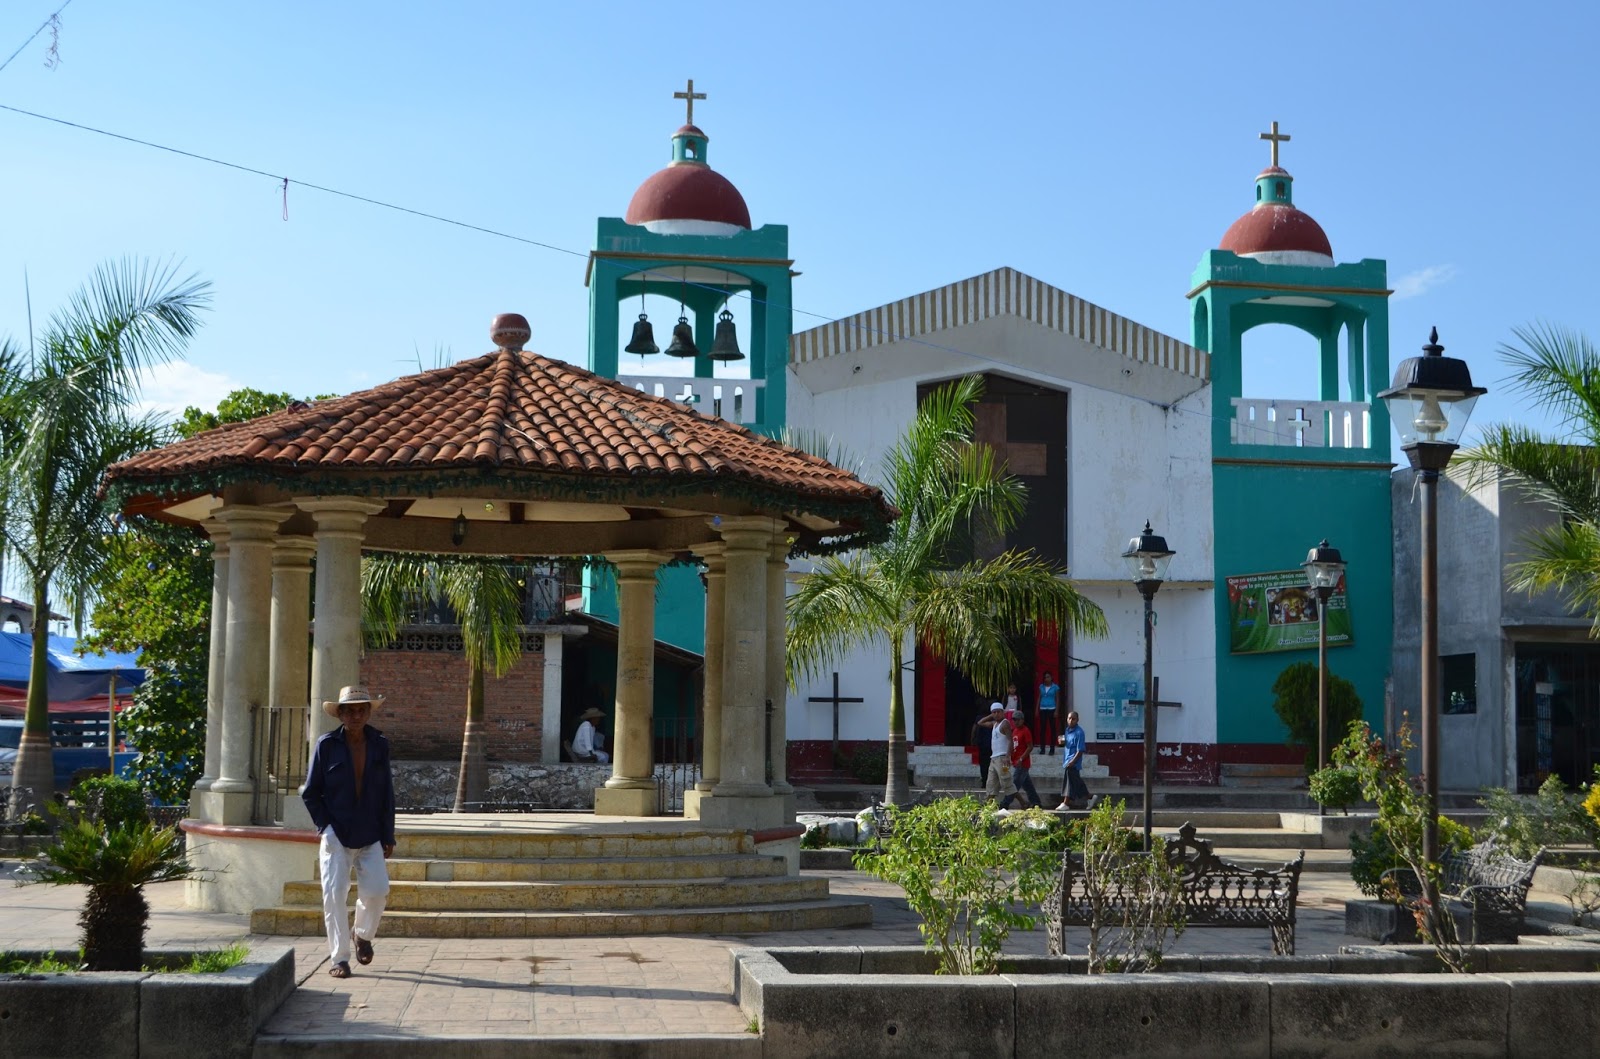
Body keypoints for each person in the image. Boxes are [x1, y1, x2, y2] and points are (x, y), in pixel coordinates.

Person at [302, 684, 395, 980]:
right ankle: (339, 958)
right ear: (340, 714)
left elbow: (386, 793)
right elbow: (310, 792)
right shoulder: (326, 745)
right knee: (334, 895)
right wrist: (325, 826)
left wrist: (388, 833)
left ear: (368, 712)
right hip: (336, 833)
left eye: (361, 710)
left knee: (378, 891)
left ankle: (363, 934)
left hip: (370, 832)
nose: (356, 715)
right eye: (350, 711)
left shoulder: (379, 743)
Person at [1002, 708, 1041, 809]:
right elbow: (1012, 746)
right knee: (1028, 786)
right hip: (1016, 762)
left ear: (1022, 720)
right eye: (1014, 720)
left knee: (1014, 785)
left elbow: (1030, 746)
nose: (1015, 722)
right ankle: (1036, 802)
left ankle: (1005, 803)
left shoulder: (1025, 731)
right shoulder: (1014, 731)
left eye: (1017, 720)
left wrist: (1021, 758)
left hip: (1023, 763)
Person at [979, 702, 1016, 807]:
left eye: (998, 712)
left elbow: (1010, 740)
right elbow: (980, 723)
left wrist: (1008, 756)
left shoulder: (1005, 723)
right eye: (994, 713)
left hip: (1002, 758)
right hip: (994, 758)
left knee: (1006, 782)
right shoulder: (994, 724)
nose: (996, 714)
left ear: (1002, 712)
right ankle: (988, 804)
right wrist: (991, 715)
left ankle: (1022, 802)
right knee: (991, 782)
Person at [1060, 709, 1092, 809]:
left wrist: (1073, 761)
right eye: (1069, 718)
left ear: (1077, 720)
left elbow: (1080, 750)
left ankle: (1065, 803)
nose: (1071, 721)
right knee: (1076, 782)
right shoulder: (1067, 730)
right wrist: (1062, 742)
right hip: (1067, 760)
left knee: (1069, 782)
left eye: (1073, 719)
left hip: (1073, 761)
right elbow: (1067, 744)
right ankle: (1090, 797)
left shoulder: (1079, 732)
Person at [1037, 671, 1061, 754]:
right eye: (1045, 677)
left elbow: (1058, 699)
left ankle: (1052, 748)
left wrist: (1057, 710)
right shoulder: (1041, 687)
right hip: (1043, 708)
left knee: (1052, 729)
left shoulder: (1055, 687)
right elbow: (1039, 698)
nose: (1046, 679)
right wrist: (1037, 709)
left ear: (1051, 678)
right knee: (1042, 729)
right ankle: (1042, 748)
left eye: (1048, 677)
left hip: (1052, 708)